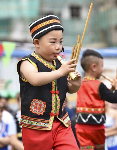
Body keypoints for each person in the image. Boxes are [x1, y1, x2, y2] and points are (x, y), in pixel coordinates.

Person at [17, 14, 80, 150]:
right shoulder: (27, 63)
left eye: (61, 42)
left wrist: (75, 84)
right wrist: (60, 72)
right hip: (36, 126)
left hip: (62, 122)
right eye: (53, 42)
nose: (58, 47)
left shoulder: (60, 64)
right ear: (37, 43)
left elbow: (69, 89)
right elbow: (34, 79)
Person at [75, 49, 117, 150]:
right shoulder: (99, 85)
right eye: (102, 66)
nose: (102, 69)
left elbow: (99, 96)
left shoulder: (79, 84)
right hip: (96, 128)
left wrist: (111, 89)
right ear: (94, 67)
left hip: (80, 127)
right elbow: (114, 98)